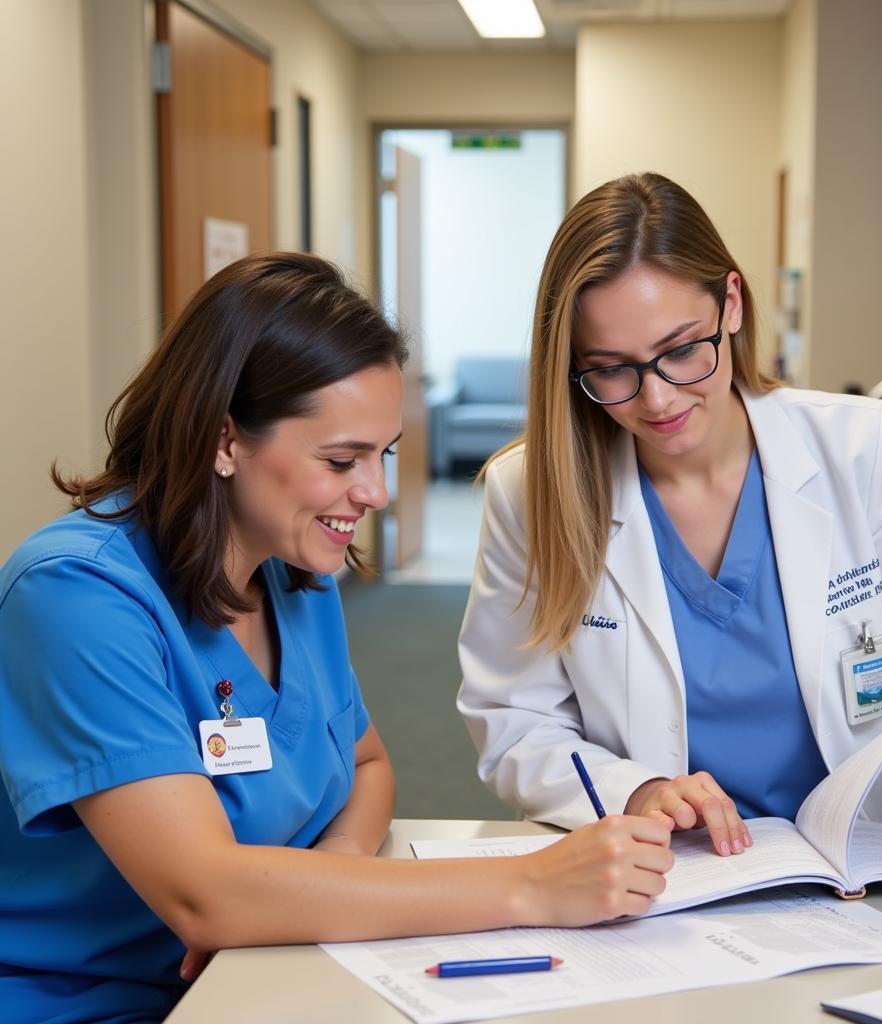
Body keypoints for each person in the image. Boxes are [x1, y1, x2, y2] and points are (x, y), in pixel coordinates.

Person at [0, 253, 675, 1024]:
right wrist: (532, 884)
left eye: (383, 454)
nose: (377, 493)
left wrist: (312, 889)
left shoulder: (292, 575)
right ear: (225, 440)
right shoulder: (76, 595)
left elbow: (368, 764)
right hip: (82, 1002)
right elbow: (204, 895)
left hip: (252, 977)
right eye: (342, 459)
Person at [457, 173, 882, 857]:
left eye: (680, 351)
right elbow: (515, 725)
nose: (658, 400)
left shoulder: (857, 447)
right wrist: (635, 791)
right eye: (612, 369)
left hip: (862, 861)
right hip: (661, 871)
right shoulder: (531, 491)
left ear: (730, 304)